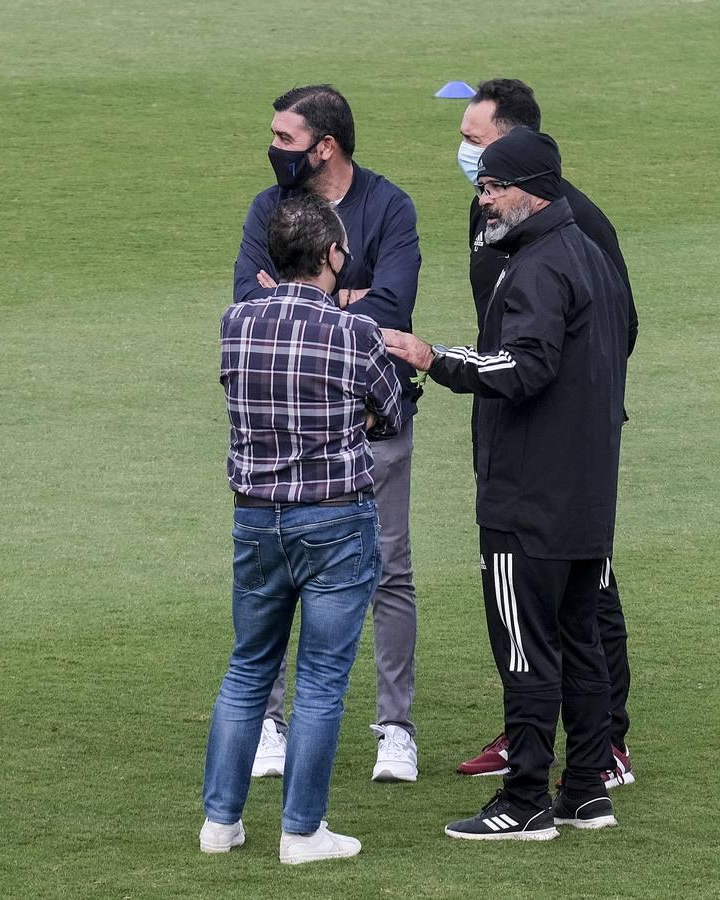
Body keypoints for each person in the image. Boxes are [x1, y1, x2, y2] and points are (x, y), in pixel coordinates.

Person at [383, 127, 631, 841]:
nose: (483, 199)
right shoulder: (589, 256)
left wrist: (434, 357)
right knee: (580, 644)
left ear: (533, 188)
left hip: (527, 498)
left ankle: (523, 801)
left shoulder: (533, 267)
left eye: (492, 186)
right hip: (587, 494)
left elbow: (523, 368)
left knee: (525, 649)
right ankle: (585, 791)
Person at [201, 193, 402, 864]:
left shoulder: (237, 322)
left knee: (247, 667)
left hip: (256, 517)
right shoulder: (355, 332)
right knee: (320, 677)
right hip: (334, 518)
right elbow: (390, 409)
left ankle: (220, 822)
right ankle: (302, 831)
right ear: (330, 257)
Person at [233, 84, 423, 783]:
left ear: (325, 146)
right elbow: (246, 299)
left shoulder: (388, 206)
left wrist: (303, 299)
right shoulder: (267, 206)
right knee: (278, 573)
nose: (272, 149)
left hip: (373, 419)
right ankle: (267, 723)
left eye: (283, 138)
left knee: (389, 570)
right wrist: (348, 301)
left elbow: (395, 304)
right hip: (288, 419)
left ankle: (394, 728)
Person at [453, 78, 638, 788]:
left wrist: (575, 411)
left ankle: (603, 746)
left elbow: (616, 325)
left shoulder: (576, 223)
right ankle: (534, 730)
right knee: (539, 592)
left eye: (475, 144)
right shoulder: (492, 212)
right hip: (506, 419)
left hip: (558, 439)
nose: (466, 163)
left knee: (585, 588)